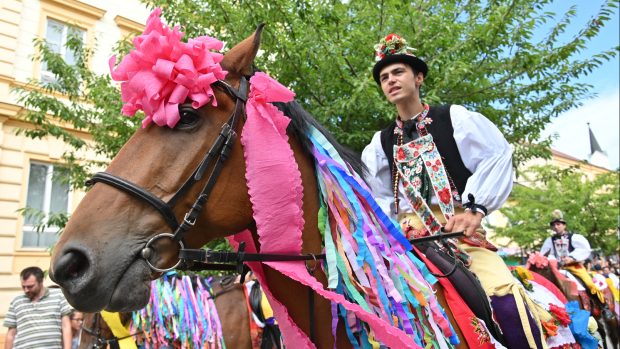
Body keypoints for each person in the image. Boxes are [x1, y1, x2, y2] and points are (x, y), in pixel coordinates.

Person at [362, 33, 550, 348]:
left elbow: (496, 156)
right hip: (406, 242)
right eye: (384, 77)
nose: (391, 80)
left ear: (418, 77)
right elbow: (378, 198)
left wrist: (475, 211)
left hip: (459, 235)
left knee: (505, 299)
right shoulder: (379, 145)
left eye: (398, 72)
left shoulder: (454, 118)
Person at [539, 209, 607, 305]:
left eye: (558, 224)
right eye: (554, 225)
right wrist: (552, 260)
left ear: (564, 225)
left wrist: (572, 257)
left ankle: (603, 306)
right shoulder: (549, 240)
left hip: (574, 266)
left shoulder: (574, 237)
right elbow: (544, 254)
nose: (556, 227)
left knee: (589, 283)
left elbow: (584, 249)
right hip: (557, 268)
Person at [3, 266, 73, 349]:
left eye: (30, 286)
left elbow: (66, 326)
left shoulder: (58, 295)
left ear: (41, 282)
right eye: (23, 286)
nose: (26, 290)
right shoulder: (16, 301)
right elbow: (11, 334)